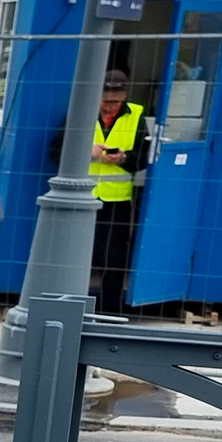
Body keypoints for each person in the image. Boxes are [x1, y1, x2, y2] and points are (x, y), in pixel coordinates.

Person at [87, 67, 150, 313]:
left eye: (115, 102)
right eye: (105, 102)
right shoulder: (82, 109)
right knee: (77, 258)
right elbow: (55, 150)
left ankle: (108, 312)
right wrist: (88, 152)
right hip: (82, 198)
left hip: (117, 201)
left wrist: (125, 158)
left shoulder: (136, 114)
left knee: (113, 262)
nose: (109, 107)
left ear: (124, 97)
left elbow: (146, 156)